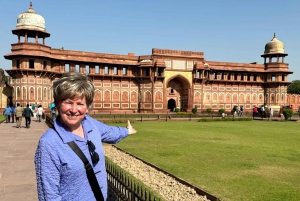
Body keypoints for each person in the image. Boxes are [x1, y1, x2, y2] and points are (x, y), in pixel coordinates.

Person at [34, 72, 137, 201]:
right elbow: (49, 197)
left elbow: (110, 132)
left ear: (87, 107)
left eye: (80, 104)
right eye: (68, 102)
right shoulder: (49, 143)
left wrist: (126, 131)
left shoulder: (90, 125)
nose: (74, 109)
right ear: (58, 104)